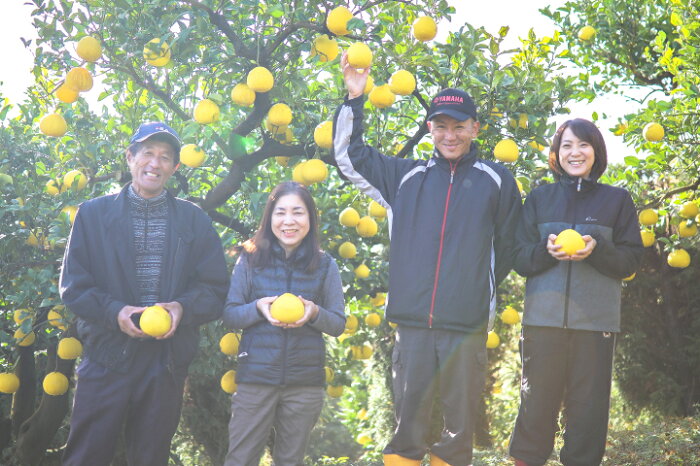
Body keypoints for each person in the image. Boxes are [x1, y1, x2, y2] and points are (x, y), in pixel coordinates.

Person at [334, 53, 522, 466]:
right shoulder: (405, 178)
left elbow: (509, 246)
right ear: (429, 128)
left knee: (459, 430)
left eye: (459, 126)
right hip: (413, 322)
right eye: (440, 126)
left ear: (475, 128)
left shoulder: (496, 180)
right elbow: (350, 157)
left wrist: (473, 283)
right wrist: (354, 98)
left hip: (466, 324)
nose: (449, 135)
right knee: (407, 430)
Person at [59, 121, 229, 466]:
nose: (155, 163)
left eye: (165, 157)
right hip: (107, 354)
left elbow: (215, 289)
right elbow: (74, 286)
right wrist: (115, 312)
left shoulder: (194, 220)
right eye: (148, 153)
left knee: (150, 458)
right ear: (130, 157)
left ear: (175, 167)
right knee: (86, 456)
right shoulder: (93, 214)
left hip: (164, 361)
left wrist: (182, 308)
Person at [508, 118, 643, 466]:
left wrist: (596, 249)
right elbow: (520, 258)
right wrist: (545, 251)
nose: (575, 152)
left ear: (596, 151)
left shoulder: (617, 200)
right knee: (535, 408)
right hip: (543, 324)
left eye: (583, 145)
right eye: (566, 145)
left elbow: (629, 261)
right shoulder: (539, 198)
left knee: (587, 417)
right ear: (556, 153)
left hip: (596, 326)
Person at [223, 181, 346, 466]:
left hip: (305, 383)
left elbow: (338, 324)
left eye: (298, 213)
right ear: (270, 218)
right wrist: (258, 308)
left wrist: (314, 312)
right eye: (280, 212)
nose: (288, 221)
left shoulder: (325, 265)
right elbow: (230, 313)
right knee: (240, 459)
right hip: (256, 378)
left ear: (310, 219)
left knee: (290, 461)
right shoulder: (250, 259)